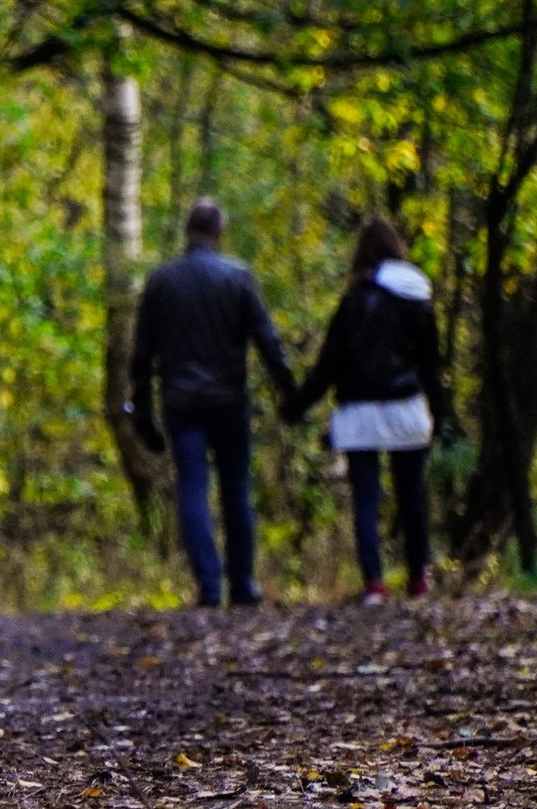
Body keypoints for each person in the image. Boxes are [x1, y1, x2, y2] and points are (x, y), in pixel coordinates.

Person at [129, 198, 300, 607]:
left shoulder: (161, 281)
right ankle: (242, 583)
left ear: (188, 232)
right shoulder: (237, 277)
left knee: (193, 489)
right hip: (229, 402)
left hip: (182, 402)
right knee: (236, 489)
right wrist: (289, 393)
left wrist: (143, 416)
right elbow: (268, 342)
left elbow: (141, 355)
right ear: (219, 232)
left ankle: (209, 585)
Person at [281, 218, 449, 604]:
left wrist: (296, 406)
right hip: (407, 409)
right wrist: (440, 415)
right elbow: (430, 365)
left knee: (365, 499)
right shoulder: (417, 298)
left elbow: (328, 366)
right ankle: (417, 578)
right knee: (412, 495)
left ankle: (374, 583)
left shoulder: (353, 303)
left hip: (359, 416)